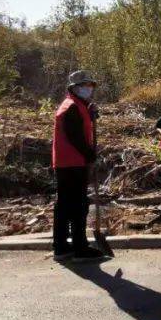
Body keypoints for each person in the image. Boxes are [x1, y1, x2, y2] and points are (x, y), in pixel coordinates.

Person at [50, 70, 106, 262]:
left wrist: (90, 115)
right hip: (73, 162)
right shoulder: (72, 107)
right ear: (74, 88)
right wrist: (90, 156)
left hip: (68, 162)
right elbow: (76, 137)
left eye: (90, 86)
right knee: (78, 205)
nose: (88, 89)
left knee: (66, 206)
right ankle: (80, 248)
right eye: (84, 85)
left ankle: (62, 247)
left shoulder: (76, 105)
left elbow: (80, 128)